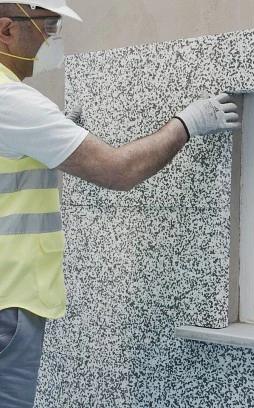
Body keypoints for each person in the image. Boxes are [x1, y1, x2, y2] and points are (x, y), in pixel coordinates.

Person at [0, 1, 241, 406]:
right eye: (48, 25)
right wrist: (186, 124)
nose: (54, 38)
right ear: (6, 30)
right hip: (8, 301)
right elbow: (119, 170)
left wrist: (49, 144)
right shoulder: (12, 100)